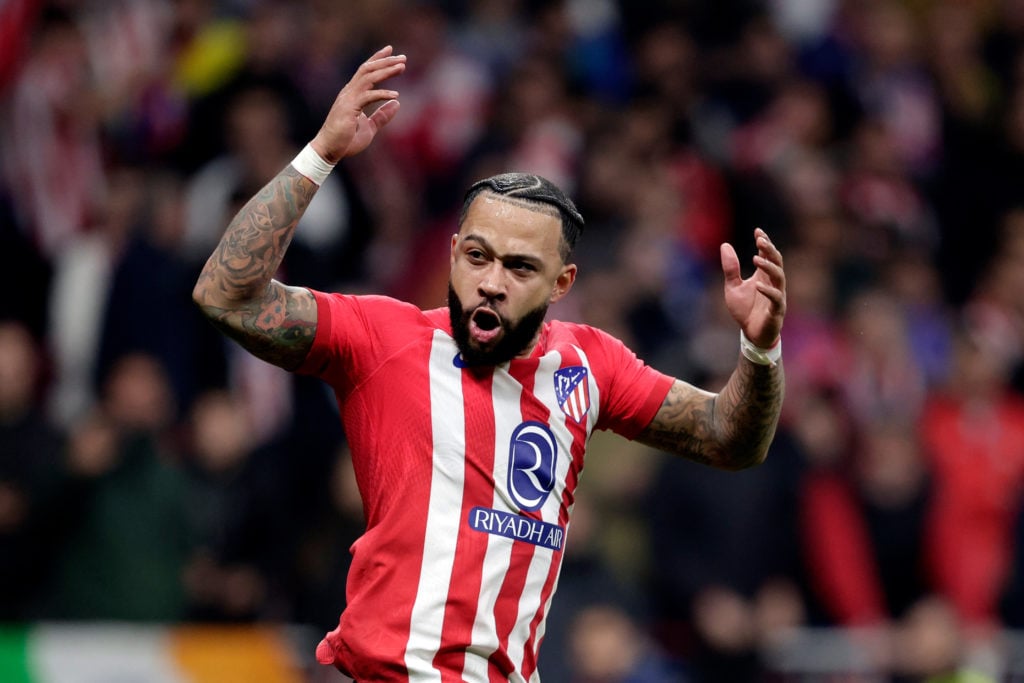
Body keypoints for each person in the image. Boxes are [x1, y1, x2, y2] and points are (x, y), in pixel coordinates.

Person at [192, 45, 787, 683]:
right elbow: (226, 295)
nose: (491, 282)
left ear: (563, 283)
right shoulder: (383, 338)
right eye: (477, 256)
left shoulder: (590, 365)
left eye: (520, 267)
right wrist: (321, 154)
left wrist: (759, 349)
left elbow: (731, 439)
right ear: (451, 255)